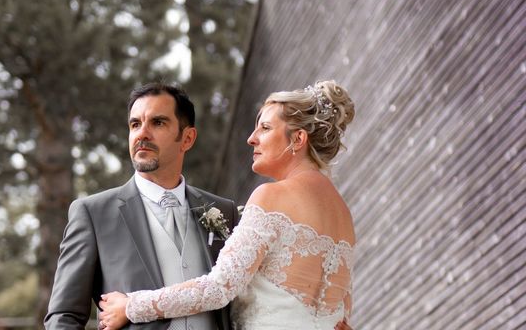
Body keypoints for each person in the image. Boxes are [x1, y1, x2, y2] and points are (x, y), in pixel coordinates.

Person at [99, 81, 356, 330]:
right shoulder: (344, 215)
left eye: (265, 128)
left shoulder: (272, 197)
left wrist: (132, 306)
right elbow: (342, 316)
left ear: (298, 139)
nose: (251, 139)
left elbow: (218, 288)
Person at [45, 83, 239, 329]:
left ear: (187, 138)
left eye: (158, 123)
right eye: (135, 124)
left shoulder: (223, 211)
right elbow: (64, 316)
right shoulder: (93, 214)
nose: (142, 134)